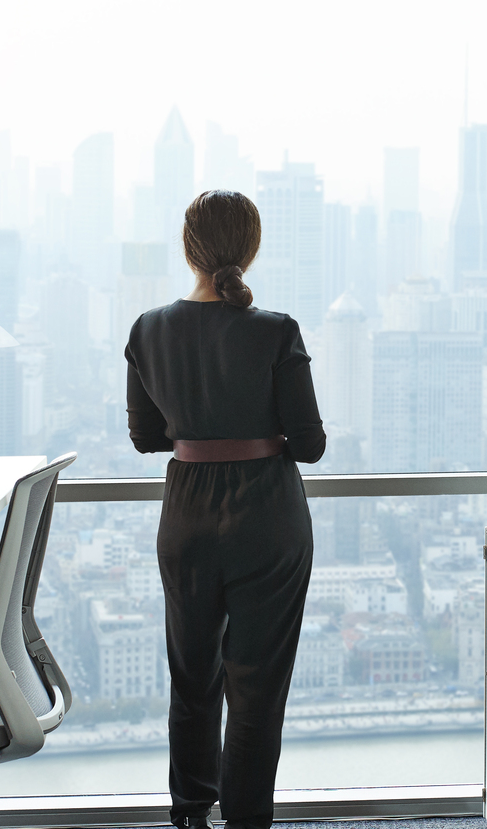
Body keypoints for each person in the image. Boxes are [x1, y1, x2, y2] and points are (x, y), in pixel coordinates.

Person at [124, 189, 327, 829]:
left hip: (186, 515)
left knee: (192, 678)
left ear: (188, 249)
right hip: (268, 515)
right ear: (251, 249)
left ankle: (189, 814)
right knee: (257, 689)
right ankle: (246, 822)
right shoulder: (276, 331)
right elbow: (312, 445)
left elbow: (147, 437)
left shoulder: (149, 329)